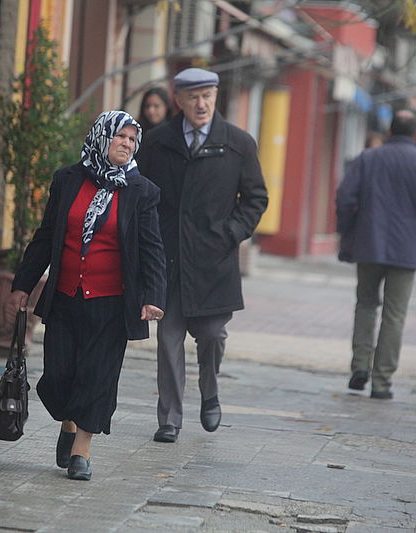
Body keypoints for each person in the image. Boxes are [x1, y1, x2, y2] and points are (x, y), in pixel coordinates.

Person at [11, 110, 166, 480]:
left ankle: (82, 449)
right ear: (102, 136)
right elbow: (47, 235)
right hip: (65, 295)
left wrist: (154, 295)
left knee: (98, 376)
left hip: (112, 301)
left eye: (133, 139)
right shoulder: (68, 179)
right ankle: (68, 421)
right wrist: (23, 284)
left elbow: (152, 249)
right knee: (59, 375)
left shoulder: (142, 191)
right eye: (121, 137)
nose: (127, 145)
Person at [135, 68, 268, 442]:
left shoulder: (238, 143)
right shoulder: (158, 142)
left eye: (208, 95)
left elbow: (256, 199)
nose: (201, 103)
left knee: (211, 335)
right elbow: (142, 195)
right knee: (168, 338)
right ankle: (170, 419)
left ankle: (209, 392)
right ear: (178, 100)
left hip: (213, 262)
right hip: (168, 261)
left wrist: (230, 234)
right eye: (193, 96)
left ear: (216, 97)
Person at [336, 110, 416, 400]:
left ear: (389, 132)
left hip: (368, 244)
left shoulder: (368, 158)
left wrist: (348, 232)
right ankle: (382, 382)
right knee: (394, 315)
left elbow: (344, 198)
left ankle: (359, 367)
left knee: (365, 304)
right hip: (408, 249)